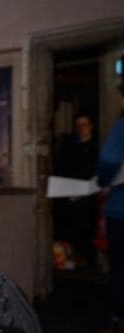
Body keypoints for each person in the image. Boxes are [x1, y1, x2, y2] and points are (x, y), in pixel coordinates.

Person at [97, 87, 124, 333]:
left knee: (120, 269)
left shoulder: (121, 125)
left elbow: (109, 159)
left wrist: (104, 181)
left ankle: (119, 325)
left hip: (121, 208)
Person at [54, 113, 99, 267]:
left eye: (84, 125)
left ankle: (90, 262)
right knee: (72, 229)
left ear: (91, 126)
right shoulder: (69, 148)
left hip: (90, 195)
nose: (81, 128)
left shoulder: (97, 147)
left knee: (88, 230)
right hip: (71, 194)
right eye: (78, 125)